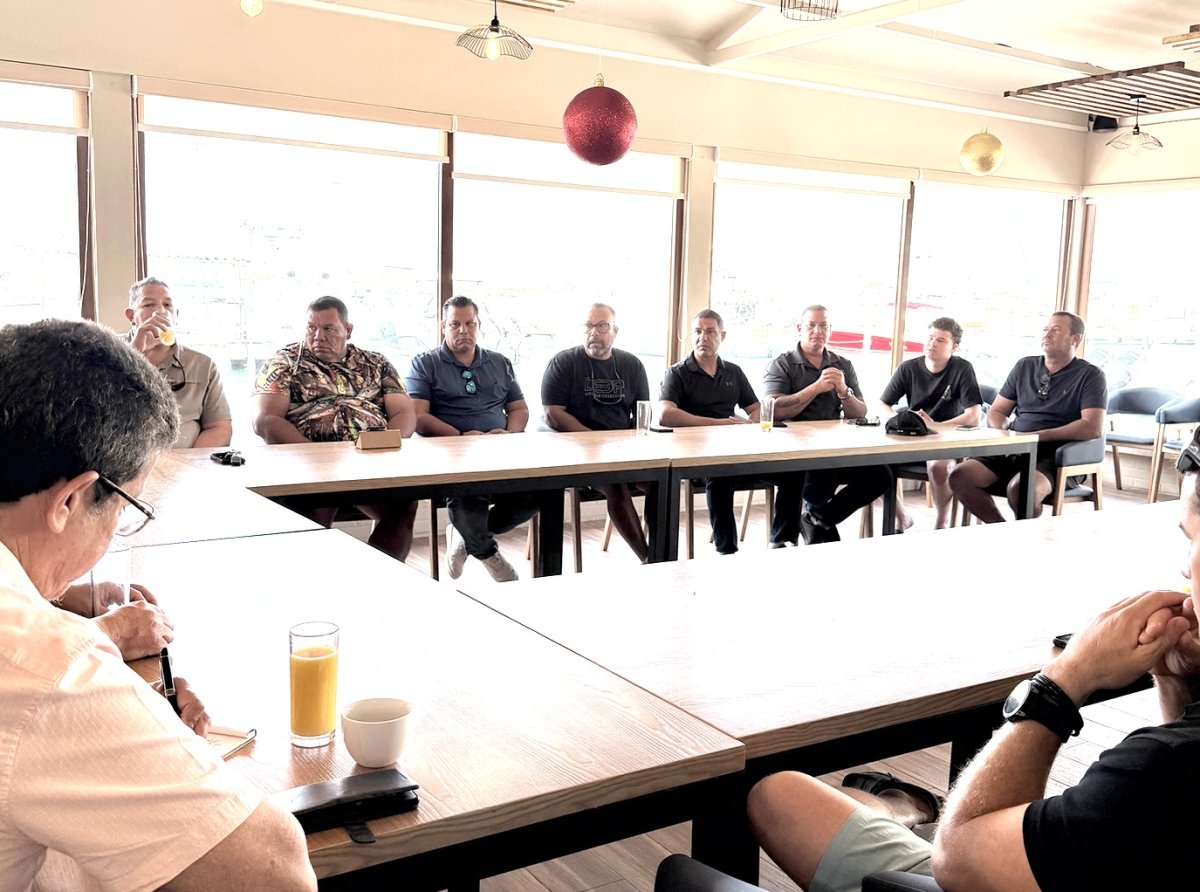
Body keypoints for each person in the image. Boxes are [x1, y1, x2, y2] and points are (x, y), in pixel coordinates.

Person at [748, 426, 1200, 892]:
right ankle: (913, 809)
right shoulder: (1170, 764)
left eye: (1192, 541)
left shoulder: (1161, 771)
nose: (1184, 567)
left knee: (776, 794)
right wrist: (1174, 681)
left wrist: (1064, 679)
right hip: (1024, 862)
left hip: (973, 866)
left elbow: (958, 862)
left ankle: (913, 810)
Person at [0, 319, 315, 891]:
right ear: (70, 500)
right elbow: (276, 873)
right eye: (126, 507)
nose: (119, 525)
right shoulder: (49, 670)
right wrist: (165, 750)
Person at [252, 295, 419, 561]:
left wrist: (383, 447)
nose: (318, 336)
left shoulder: (376, 363)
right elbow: (265, 420)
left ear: (347, 330)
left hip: (371, 462)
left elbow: (404, 412)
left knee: (404, 505)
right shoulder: (285, 362)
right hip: (309, 464)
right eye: (311, 328)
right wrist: (318, 459)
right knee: (312, 515)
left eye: (328, 328)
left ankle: (379, 577)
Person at [405, 296, 537, 583]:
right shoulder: (425, 363)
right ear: (443, 326)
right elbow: (418, 416)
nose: (463, 330)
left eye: (469, 323)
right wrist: (462, 437)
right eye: (455, 324)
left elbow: (519, 409)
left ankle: (466, 536)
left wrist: (508, 435)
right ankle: (488, 553)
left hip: (502, 453)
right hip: (453, 457)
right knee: (467, 502)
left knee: (540, 493)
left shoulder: (499, 362)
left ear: (479, 325)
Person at [949, 312, 1106, 522]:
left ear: (1075, 338)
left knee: (1021, 489)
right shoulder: (1024, 366)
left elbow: (1092, 427)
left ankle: (1024, 536)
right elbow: (997, 411)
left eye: (1056, 330)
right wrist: (1003, 430)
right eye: (1046, 329)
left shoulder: (1091, 375)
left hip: (1055, 456)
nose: (1047, 334)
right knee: (960, 476)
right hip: (1013, 448)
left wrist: (1037, 436)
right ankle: (1003, 530)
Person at [763, 304, 892, 546]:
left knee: (881, 474)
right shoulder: (781, 364)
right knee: (814, 475)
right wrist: (816, 388)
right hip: (793, 448)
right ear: (799, 328)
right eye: (811, 325)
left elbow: (860, 412)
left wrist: (843, 391)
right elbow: (774, 410)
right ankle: (786, 538)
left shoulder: (843, 364)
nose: (817, 331)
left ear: (830, 330)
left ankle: (818, 519)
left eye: (823, 326)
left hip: (835, 445)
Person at [542, 303, 654, 563]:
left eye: (602, 326)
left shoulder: (632, 365)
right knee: (616, 483)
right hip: (580, 453)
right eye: (588, 326)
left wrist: (633, 444)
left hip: (623, 450)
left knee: (660, 482)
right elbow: (552, 413)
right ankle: (647, 558)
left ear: (615, 331)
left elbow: (642, 413)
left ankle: (662, 552)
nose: (594, 332)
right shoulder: (563, 363)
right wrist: (593, 441)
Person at [659, 309, 761, 555]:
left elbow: (756, 408)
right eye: (697, 331)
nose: (702, 337)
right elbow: (665, 414)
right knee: (720, 474)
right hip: (692, 454)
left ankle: (784, 539)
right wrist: (718, 424)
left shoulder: (733, 372)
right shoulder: (677, 373)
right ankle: (727, 550)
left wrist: (750, 425)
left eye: (710, 332)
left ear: (722, 336)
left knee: (791, 472)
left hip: (732, 449)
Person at [879, 317, 983, 531]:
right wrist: (900, 420)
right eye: (930, 338)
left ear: (954, 347)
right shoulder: (908, 368)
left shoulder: (962, 369)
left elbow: (974, 416)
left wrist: (935, 426)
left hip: (946, 440)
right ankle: (901, 516)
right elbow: (882, 404)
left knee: (937, 466)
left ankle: (941, 522)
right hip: (913, 438)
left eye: (941, 340)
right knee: (871, 463)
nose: (932, 344)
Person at [126, 276, 232, 449]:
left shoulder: (202, 366)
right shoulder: (106, 356)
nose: (160, 311)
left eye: (168, 305)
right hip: (122, 462)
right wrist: (133, 353)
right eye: (149, 305)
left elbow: (220, 428)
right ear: (131, 316)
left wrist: (188, 462)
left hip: (186, 462)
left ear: (176, 315)